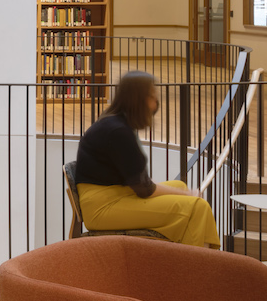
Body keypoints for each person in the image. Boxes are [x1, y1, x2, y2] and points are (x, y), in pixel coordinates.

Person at [74, 70, 219, 247]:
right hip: (103, 208)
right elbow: (144, 189)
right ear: (138, 100)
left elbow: (140, 182)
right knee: (197, 206)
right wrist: (188, 195)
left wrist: (184, 192)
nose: (155, 103)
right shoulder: (118, 132)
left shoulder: (114, 123)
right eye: (152, 97)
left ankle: (189, 251)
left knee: (181, 186)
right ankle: (196, 262)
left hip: (113, 194)